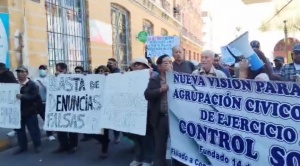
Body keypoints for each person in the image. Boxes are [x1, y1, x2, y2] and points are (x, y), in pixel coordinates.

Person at [144, 54, 173, 166]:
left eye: (170, 62)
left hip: (174, 119)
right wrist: (161, 90)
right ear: (159, 66)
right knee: (160, 147)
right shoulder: (154, 80)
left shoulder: (178, 78)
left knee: (178, 146)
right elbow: (147, 95)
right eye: (166, 63)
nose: (169, 64)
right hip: (160, 118)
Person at [129, 58, 154, 166]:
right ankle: (138, 158)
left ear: (145, 66)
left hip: (147, 110)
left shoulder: (153, 75)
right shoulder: (127, 77)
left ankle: (148, 159)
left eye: (139, 64)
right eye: (135, 65)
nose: (136, 66)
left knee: (147, 137)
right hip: (133, 110)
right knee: (136, 136)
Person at [14, 66, 42, 154]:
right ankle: (22, 147)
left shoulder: (32, 84)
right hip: (18, 112)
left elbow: (35, 97)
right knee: (19, 131)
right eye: (18, 73)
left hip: (30, 111)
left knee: (34, 130)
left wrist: (23, 97)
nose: (20, 74)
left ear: (27, 73)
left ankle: (37, 145)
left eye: (22, 72)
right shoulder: (14, 84)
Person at [53, 63, 78, 154]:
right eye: (57, 70)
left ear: (65, 70)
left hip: (70, 107)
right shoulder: (54, 79)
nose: (58, 72)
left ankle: (73, 146)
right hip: (60, 107)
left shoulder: (72, 78)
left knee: (71, 128)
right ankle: (63, 145)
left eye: (60, 71)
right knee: (60, 128)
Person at [34, 65, 55, 141]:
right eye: (40, 69)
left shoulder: (50, 78)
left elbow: (52, 89)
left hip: (47, 102)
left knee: (46, 119)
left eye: (43, 69)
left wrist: (44, 85)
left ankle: (50, 134)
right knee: (33, 119)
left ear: (47, 70)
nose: (42, 70)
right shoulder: (35, 79)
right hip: (38, 102)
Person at [0, 63, 18, 137]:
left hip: (10, 97)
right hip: (3, 97)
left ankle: (16, 129)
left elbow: (15, 85)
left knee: (12, 114)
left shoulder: (9, 74)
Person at [106, 58, 121, 143]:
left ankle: (116, 136)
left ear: (115, 64)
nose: (108, 64)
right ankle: (105, 137)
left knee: (115, 119)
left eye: (110, 63)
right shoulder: (106, 71)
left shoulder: (118, 73)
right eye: (108, 63)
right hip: (108, 98)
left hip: (115, 99)